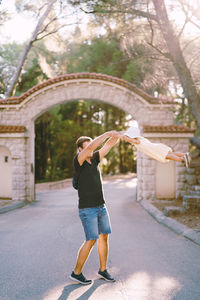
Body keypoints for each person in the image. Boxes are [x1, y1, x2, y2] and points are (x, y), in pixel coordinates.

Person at [70, 131, 121, 285]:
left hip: (101, 206)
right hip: (87, 209)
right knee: (91, 239)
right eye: (87, 148)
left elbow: (109, 144)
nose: (91, 151)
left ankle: (103, 270)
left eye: (91, 149)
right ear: (80, 149)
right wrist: (107, 133)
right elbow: (94, 144)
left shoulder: (95, 159)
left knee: (104, 236)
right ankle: (76, 273)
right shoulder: (78, 161)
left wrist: (119, 135)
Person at [120, 121, 191, 167]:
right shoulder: (141, 139)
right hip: (156, 148)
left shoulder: (138, 141)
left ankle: (182, 159)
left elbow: (134, 141)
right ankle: (184, 154)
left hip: (155, 150)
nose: (128, 140)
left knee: (169, 156)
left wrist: (125, 138)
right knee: (170, 154)